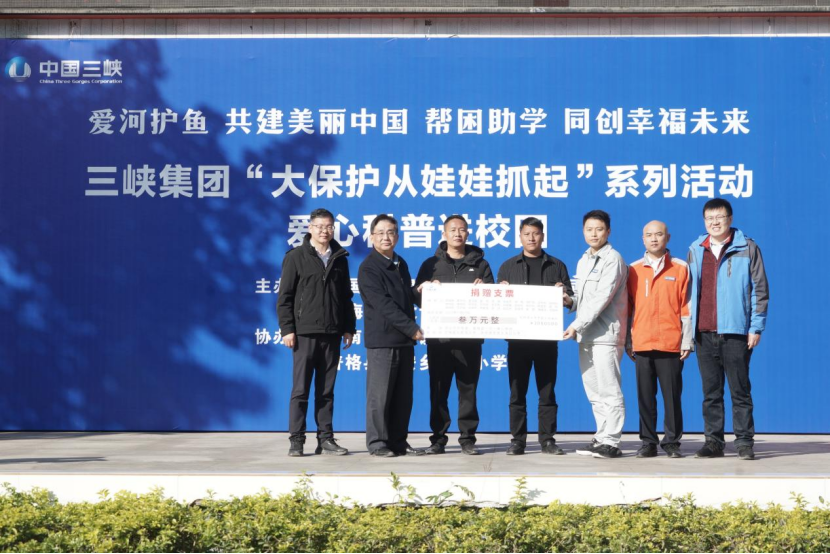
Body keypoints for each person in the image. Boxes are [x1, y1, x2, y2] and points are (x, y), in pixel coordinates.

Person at [687, 198, 768, 461]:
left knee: (740, 391)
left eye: (719, 217)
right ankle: (713, 442)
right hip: (704, 332)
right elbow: (689, 293)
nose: (715, 223)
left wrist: (755, 327)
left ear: (730, 219)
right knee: (711, 394)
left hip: (736, 332)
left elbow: (759, 289)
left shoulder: (747, 247)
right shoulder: (696, 249)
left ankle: (744, 442)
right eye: (709, 218)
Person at [277, 208, 356, 457]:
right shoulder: (296, 257)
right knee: (300, 390)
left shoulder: (340, 258)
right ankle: (296, 440)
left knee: (326, 391)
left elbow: (346, 297)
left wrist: (349, 327)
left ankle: (326, 439)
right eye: (320, 226)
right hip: (304, 333)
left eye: (329, 226)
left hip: (332, 332)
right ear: (310, 228)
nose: (325, 231)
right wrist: (288, 329)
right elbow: (285, 297)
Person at [414, 215, 494, 456]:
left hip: (470, 339)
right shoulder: (431, 264)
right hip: (440, 340)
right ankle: (438, 439)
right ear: (444, 234)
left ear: (468, 233)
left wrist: (486, 291)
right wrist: (423, 291)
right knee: (438, 391)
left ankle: (467, 439)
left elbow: (494, 301)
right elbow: (417, 297)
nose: (458, 234)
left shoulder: (481, 264)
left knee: (468, 390)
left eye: (462, 230)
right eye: (453, 230)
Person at [497, 217, 574, 456]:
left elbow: (570, 299)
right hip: (517, 341)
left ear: (542, 236)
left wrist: (564, 296)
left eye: (536, 233)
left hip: (546, 341)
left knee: (547, 392)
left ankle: (547, 440)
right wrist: (500, 293)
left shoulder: (557, 265)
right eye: (527, 234)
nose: (531, 238)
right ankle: (517, 441)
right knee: (517, 393)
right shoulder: (507, 266)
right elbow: (496, 305)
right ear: (520, 236)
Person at [358, 214, 425, 457]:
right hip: (383, 341)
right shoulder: (369, 268)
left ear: (397, 236)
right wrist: (411, 328)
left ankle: (398, 441)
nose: (386, 237)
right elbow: (383, 305)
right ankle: (377, 443)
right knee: (380, 396)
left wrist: (421, 292)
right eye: (381, 233)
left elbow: (404, 297)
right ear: (372, 236)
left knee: (402, 396)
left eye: (391, 232)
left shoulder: (400, 263)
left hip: (404, 341)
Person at [563, 210, 628, 459]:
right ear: (583, 231)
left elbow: (602, 298)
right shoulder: (584, 259)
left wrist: (576, 325)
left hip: (606, 335)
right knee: (594, 391)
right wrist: (569, 301)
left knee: (609, 389)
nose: (594, 234)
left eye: (599, 229)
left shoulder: (613, 259)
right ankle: (601, 437)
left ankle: (612, 441)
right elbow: (581, 297)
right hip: (586, 335)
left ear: (608, 232)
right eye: (589, 229)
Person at [626, 221, 692, 459]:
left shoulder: (680, 267)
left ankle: (672, 442)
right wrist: (628, 341)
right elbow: (628, 308)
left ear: (668, 237)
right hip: (642, 341)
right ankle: (648, 442)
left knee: (672, 397)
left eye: (659, 234)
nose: (654, 239)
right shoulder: (633, 270)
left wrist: (687, 340)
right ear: (642, 239)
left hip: (670, 342)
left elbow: (687, 307)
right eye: (649, 235)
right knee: (645, 397)